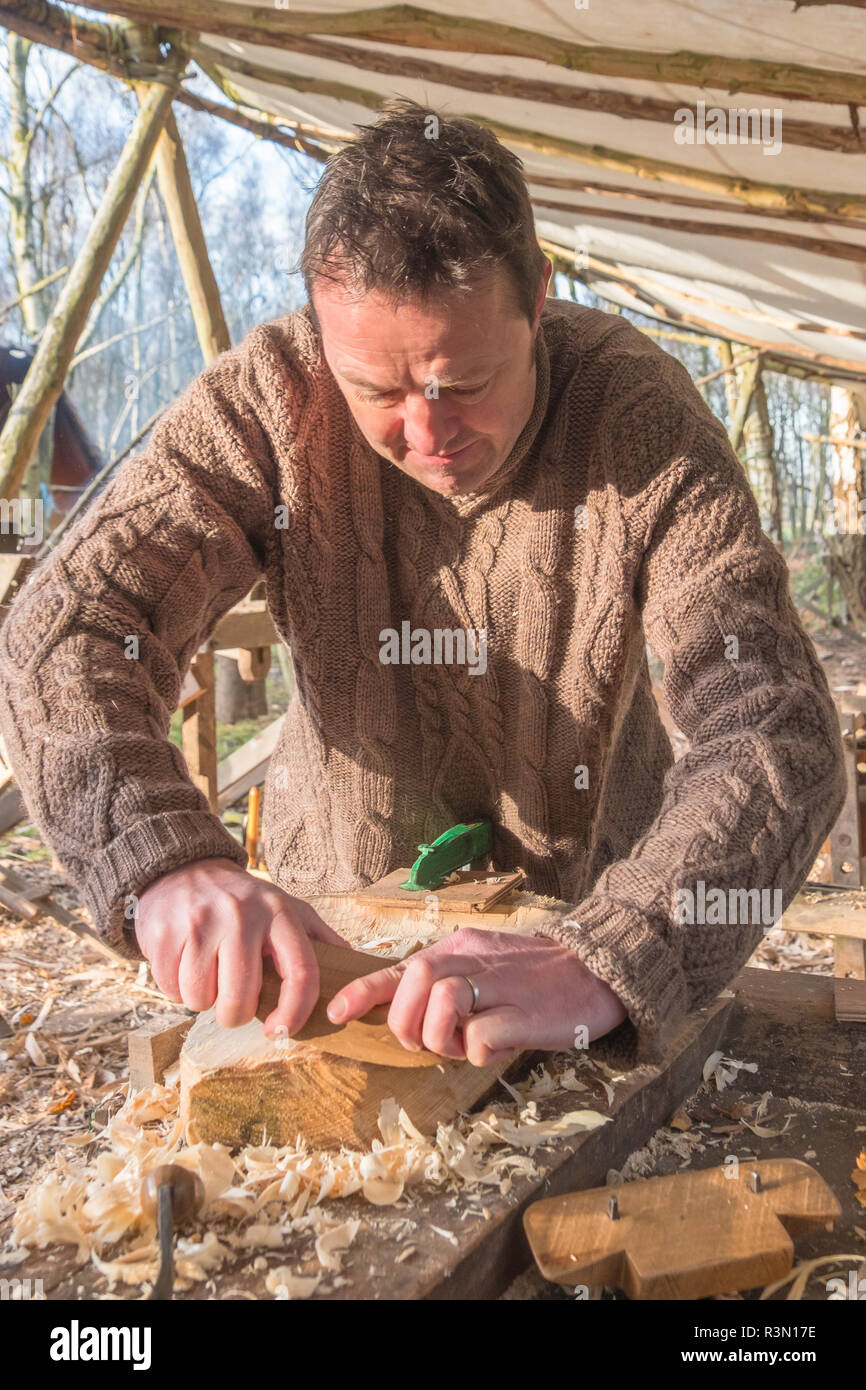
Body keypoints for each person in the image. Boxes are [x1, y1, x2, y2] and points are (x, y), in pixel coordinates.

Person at [0, 99, 845, 1071]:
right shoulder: (267, 401)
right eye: (378, 392)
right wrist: (161, 856)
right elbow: (72, 625)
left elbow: (771, 720)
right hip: (336, 941)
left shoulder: (634, 414)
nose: (426, 431)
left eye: (463, 381)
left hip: (578, 940)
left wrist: (621, 950)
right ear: (322, 333)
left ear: (536, 303)